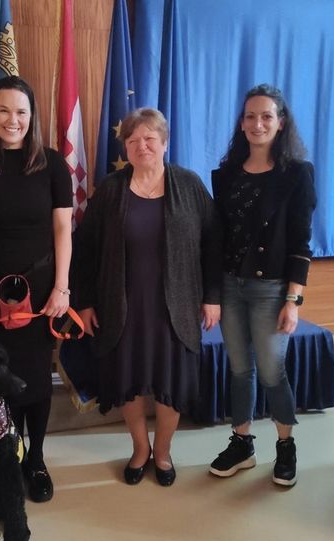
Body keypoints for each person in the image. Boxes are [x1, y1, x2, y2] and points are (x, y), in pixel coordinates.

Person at [74, 108, 222, 487]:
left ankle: (163, 452)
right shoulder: (111, 189)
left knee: (170, 385)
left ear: (164, 143)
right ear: (125, 146)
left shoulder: (188, 185)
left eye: (150, 138)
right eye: (133, 139)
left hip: (177, 307)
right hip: (122, 307)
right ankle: (140, 449)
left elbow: (213, 244)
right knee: (129, 381)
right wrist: (85, 301)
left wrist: (212, 296)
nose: (142, 146)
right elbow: (85, 248)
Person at [0, 76, 72, 503]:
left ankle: (36, 460)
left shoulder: (52, 164)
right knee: (0, 377)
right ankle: (9, 455)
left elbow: (63, 229)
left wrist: (62, 287)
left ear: (32, 116)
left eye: (21, 112)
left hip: (41, 291)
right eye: (4, 110)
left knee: (37, 379)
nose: (13, 120)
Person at [208, 84, 316, 487]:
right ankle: (242, 444)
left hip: (271, 290)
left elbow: (302, 242)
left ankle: (285, 446)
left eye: (266, 116)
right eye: (250, 116)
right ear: (241, 123)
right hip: (230, 286)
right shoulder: (226, 175)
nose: (258, 123)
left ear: (280, 122)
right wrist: (212, 292)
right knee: (240, 370)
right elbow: (217, 239)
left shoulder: (297, 175)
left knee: (272, 372)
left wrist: (293, 300)